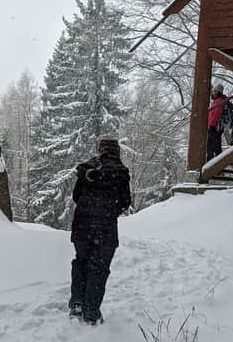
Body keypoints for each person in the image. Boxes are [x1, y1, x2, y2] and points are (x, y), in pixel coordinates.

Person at [69, 135, 132, 325]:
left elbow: (76, 196)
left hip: (82, 226)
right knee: (99, 268)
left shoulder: (87, 169)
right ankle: (91, 312)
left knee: (81, 262)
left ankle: (77, 304)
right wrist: (109, 208)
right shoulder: (120, 172)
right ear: (117, 151)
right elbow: (125, 201)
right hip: (105, 228)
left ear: (100, 150)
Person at [207, 84, 228, 160]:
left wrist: (211, 125)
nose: (212, 93)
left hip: (215, 126)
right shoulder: (218, 101)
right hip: (215, 126)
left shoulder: (219, 101)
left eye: (214, 92)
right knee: (214, 144)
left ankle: (212, 161)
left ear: (217, 92)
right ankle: (213, 160)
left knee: (213, 145)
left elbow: (216, 114)